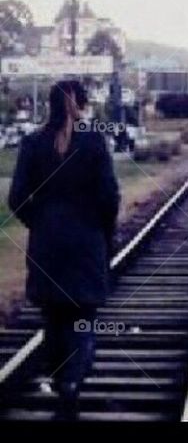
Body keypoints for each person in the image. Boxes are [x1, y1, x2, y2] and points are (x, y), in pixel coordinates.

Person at [8, 79, 120, 421]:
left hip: (47, 242)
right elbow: (109, 198)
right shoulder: (94, 143)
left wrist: (39, 223)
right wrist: (103, 232)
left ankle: (59, 377)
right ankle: (71, 382)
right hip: (86, 241)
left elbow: (15, 199)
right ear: (82, 105)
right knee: (82, 315)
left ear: (49, 106)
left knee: (53, 313)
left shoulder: (32, 143)